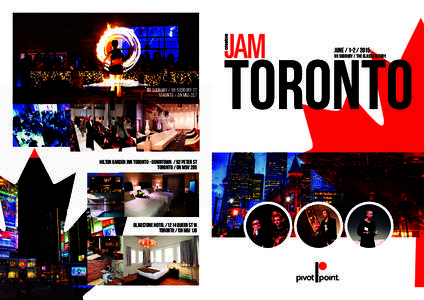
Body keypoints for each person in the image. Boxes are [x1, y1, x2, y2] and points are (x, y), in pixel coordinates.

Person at [102, 40, 124, 110]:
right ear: (117, 45)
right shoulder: (119, 52)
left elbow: (104, 61)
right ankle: (119, 103)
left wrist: (106, 62)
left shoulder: (110, 52)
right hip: (119, 67)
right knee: (119, 86)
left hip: (112, 67)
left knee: (112, 86)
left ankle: (112, 104)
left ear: (112, 45)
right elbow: (121, 60)